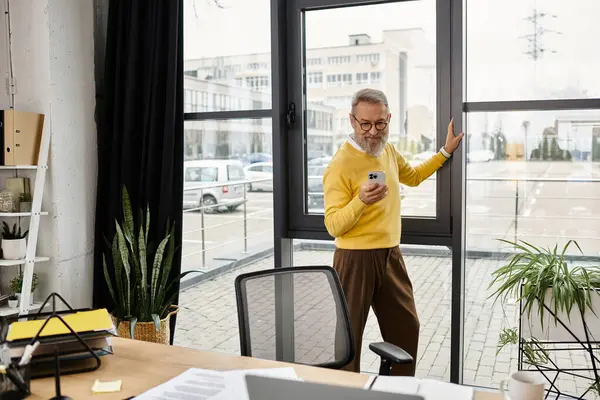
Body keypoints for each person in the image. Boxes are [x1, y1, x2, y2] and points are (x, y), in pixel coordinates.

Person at [323, 88, 464, 376]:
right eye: (365, 124)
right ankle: (344, 394)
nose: (373, 132)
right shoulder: (340, 164)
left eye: (380, 123)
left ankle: (398, 391)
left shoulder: (387, 150)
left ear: (388, 119)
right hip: (354, 259)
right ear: (352, 121)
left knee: (406, 327)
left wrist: (445, 152)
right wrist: (361, 200)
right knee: (348, 341)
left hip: (390, 254)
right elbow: (333, 225)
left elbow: (411, 176)